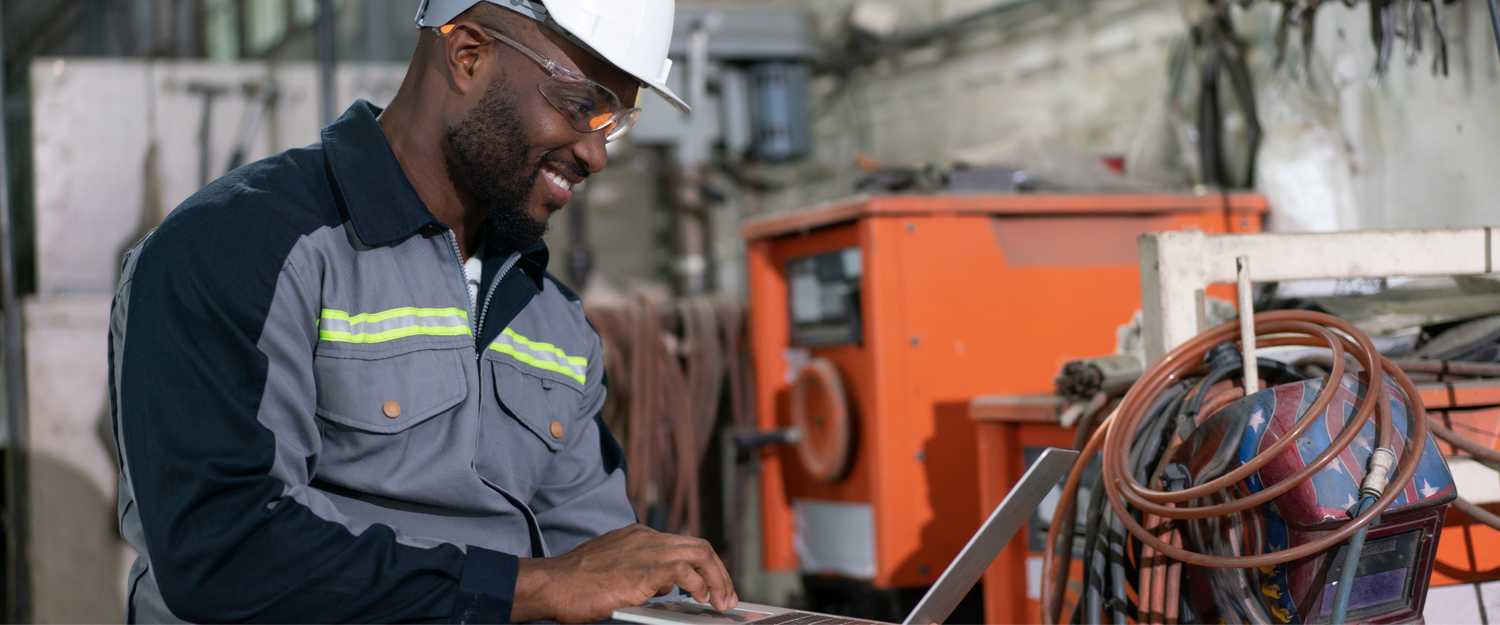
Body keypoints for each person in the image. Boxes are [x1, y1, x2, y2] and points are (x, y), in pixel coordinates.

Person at [107, 0, 736, 622]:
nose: (597, 155)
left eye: (614, 121)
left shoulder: (553, 320)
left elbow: (595, 565)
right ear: (468, 55)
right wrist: (534, 588)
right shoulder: (240, 246)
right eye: (582, 107)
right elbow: (223, 551)